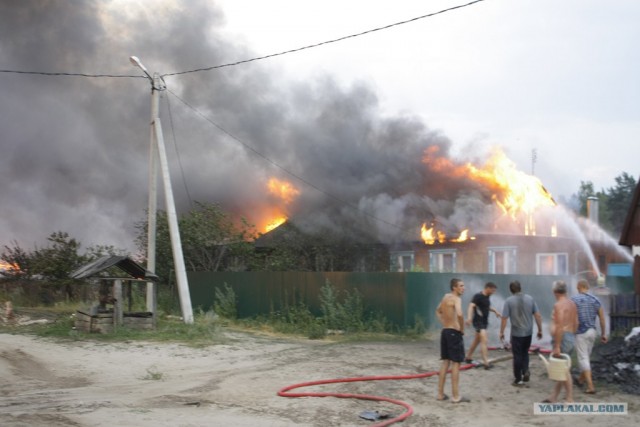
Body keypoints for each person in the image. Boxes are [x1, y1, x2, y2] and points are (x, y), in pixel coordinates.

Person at [499, 280, 543, 386]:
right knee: (525, 352)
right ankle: (526, 370)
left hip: (516, 334)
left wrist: (501, 332)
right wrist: (540, 329)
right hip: (528, 333)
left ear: (511, 290)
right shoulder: (530, 298)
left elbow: (504, 318)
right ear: (520, 288)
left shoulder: (509, 301)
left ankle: (518, 379)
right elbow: (537, 315)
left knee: (517, 355)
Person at [435, 278, 469, 403]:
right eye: (461, 285)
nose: (463, 288)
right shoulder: (456, 299)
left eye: (463, 285)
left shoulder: (445, 297)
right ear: (454, 287)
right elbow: (460, 314)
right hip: (454, 333)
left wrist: (444, 322)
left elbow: (438, 311)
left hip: (445, 332)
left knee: (445, 363)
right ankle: (456, 396)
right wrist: (461, 329)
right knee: (456, 363)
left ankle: (440, 394)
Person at [544, 280, 579, 403]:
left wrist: (557, 345)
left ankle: (570, 399)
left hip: (562, 338)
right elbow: (576, 323)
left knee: (563, 370)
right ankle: (553, 397)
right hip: (570, 336)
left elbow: (559, 326)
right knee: (562, 368)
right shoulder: (572, 304)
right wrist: (570, 335)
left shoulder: (559, 305)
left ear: (554, 292)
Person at [571, 279, 607, 394]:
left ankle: (591, 386)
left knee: (583, 358)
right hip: (592, 332)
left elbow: (571, 316)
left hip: (581, 332)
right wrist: (603, 334)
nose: (576, 289)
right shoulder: (595, 300)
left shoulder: (574, 299)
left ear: (580, 286)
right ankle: (581, 380)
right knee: (586, 357)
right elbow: (602, 318)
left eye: (577, 287)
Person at [464, 282, 501, 369]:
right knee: (484, 340)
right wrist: (469, 318)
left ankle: (468, 357)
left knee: (477, 340)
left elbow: (486, 307)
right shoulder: (478, 296)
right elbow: (471, 306)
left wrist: (495, 311)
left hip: (484, 322)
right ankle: (486, 363)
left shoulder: (487, 297)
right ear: (487, 288)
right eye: (492, 290)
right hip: (478, 322)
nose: (493, 292)